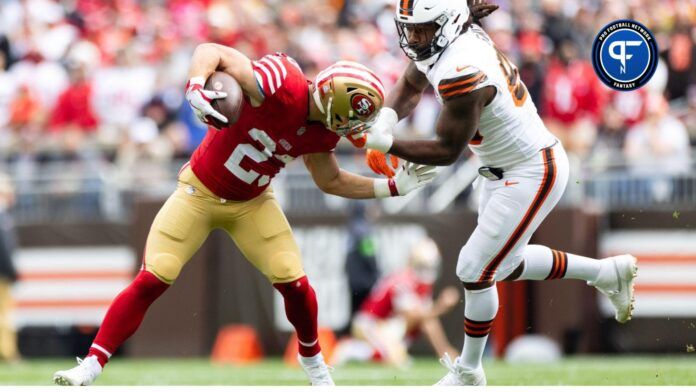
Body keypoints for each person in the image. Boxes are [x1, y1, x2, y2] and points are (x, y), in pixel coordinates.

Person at [53, 44, 436, 386]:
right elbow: (212, 51)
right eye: (350, 116)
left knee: (296, 284)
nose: (354, 128)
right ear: (334, 102)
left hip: (253, 202)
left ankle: (315, 364)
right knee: (155, 276)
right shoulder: (281, 82)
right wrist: (196, 85)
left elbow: (330, 180)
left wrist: (390, 188)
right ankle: (91, 364)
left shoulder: (322, 130)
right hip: (198, 192)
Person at [353, 0, 637, 385]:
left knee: (474, 267)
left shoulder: (462, 67)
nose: (416, 38)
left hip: (532, 169)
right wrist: (385, 123)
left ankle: (469, 372)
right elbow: (410, 82)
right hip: (500, 169)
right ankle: (606, 272)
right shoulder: (449, 36)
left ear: (449, 23)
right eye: (412, 29)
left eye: (425, 29)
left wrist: (386, 144)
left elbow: (447, 150)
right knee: (502, 264)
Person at [332, 238, 460, 368]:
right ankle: (351, 350)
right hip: (370, 324)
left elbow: (427, 320)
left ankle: (382, 349)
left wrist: (444, 350)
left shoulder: (422, 285)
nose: (427, 271)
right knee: (394, 359)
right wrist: (441, 307)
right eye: (423, 266)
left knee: (421, 327)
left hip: (389, 326)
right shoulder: (403, 281)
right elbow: (412, 316)